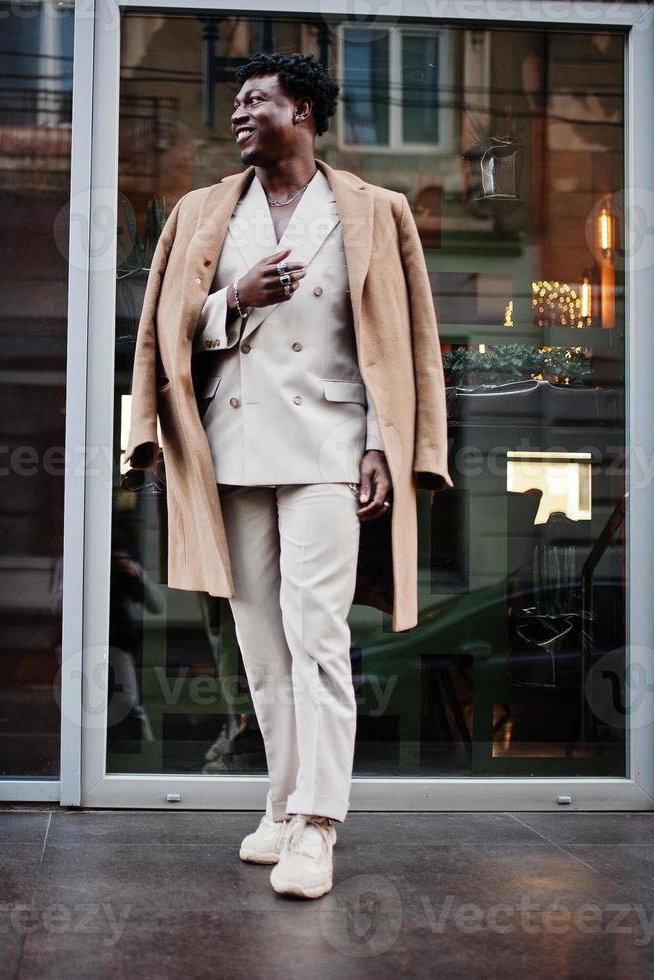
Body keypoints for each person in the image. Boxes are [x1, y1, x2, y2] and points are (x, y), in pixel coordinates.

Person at [124, 50, 452, 900]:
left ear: (301, 112)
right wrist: (234, 296)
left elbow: (405, 344)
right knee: (261, 650)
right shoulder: (201, 212)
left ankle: (318, 826)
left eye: (254, 101)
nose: (237, 115)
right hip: (228, 454)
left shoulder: (375, 212)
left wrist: (386, 441)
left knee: (318, 639)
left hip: (327, 452)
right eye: (234, 104)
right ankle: (278, 804)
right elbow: (160, 328)